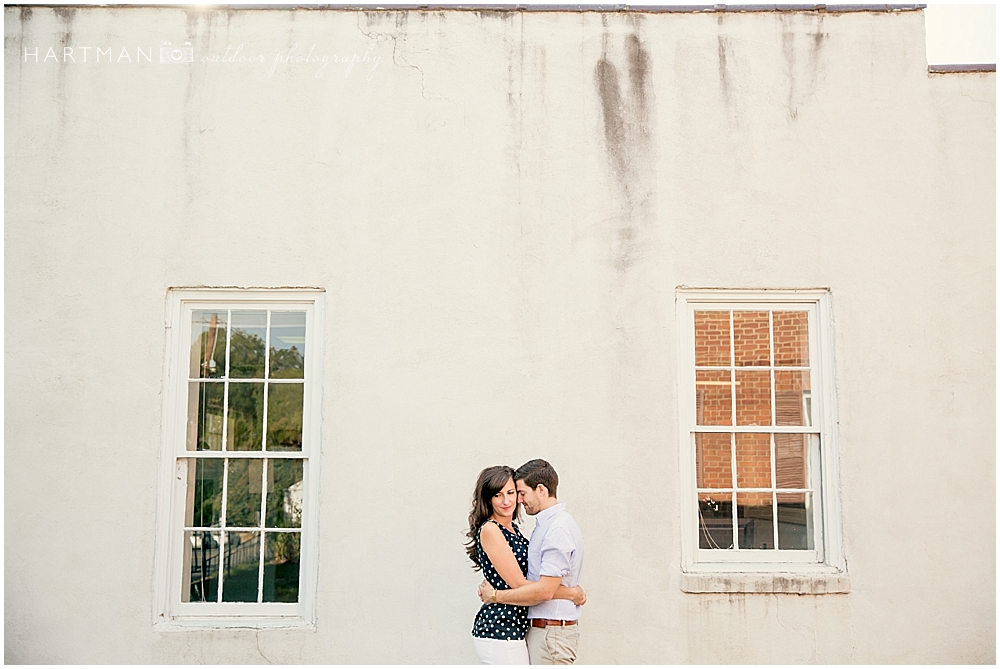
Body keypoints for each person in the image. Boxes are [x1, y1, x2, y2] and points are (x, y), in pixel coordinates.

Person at [466, 466, 586, 665]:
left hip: (516, 628)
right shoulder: (491, 530)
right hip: (500, 628)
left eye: (512, 493)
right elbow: (519, 584)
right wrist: (570, 593)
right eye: (498, 495)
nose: (507, 501)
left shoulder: (513, 529)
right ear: (488, 499)